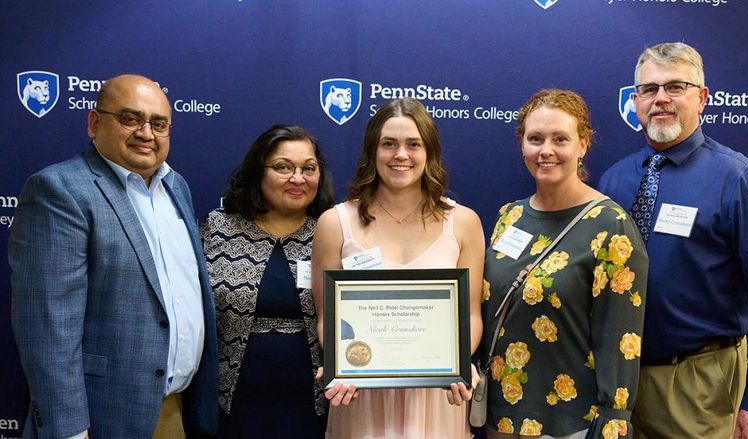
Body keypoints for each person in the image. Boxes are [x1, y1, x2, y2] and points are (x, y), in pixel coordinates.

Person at [8, 74, 218, 438]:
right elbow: (48, 327)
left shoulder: (175, 185)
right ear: (94, 123)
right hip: (101, 419)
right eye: (130, 119)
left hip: (174, 412)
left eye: (159, 123)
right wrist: (69, 431)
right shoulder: (60, 190)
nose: (146, 133)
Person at [598, 42, 748, 439]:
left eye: (675, 86)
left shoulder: (739, 181)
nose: (660, 99)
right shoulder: (614, 180)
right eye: (648, 89)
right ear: (636, 102)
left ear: (702, 98)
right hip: (618, 385)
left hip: (700, 385)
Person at [311, 97, 485, 438]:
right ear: (372, 152)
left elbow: (472, 315)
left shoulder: (463, 223)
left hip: (436, 399)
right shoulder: (335, 223)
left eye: (413, 144)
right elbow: (326, 318)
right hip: (361, 397)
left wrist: (458, 362)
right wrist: (341, 364)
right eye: (388, 144)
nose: (400, 155)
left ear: (429, 152)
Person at [483, 89, 648, 438]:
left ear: (583, 144)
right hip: (500, 414)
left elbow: (620, 335)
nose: (546, 150)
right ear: (522, 145)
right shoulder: (509, 217)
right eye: (535, 138)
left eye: (561, 139)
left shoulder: (611, 227)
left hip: (571, 421)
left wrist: (614, 419)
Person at [201, 125, 334, 437]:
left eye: (308, 168)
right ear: (257, 171)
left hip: (313, 401)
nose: (298, 178)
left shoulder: (334, 231)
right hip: (232, 399)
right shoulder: (219, 228)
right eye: (283, 167)